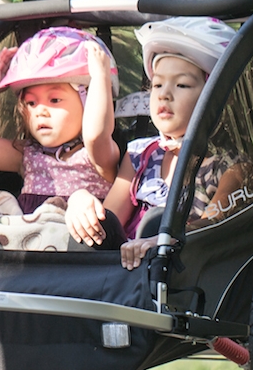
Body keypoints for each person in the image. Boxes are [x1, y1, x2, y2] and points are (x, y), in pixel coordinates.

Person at [65, 17, 239, 269]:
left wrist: (163, 241)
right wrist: (80, 202)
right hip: (125, 271)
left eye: (182, 84)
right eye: (157, 84)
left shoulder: (227, 167)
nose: (164, 94)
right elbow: (109, 217)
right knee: (88, 224)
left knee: (158, 222)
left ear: (217, 98)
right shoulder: (139, 154)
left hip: (180, 272)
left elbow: (212, 228)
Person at [0, 27, 120, 250]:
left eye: (54, 100)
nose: (40, 111)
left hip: (74, 256)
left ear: (88, 100)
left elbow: (96, 134)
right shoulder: (28, 154)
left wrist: (100, 78)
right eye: (31, 103)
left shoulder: (97, 156)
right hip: (27, 258)